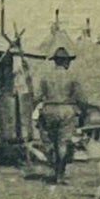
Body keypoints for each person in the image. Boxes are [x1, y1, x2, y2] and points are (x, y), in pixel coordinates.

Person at [32, 46, 87, 185]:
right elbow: (82, 98)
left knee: (50, 141)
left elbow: (37, 96)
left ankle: (54, 168)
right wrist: (83, 113)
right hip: (66, 109)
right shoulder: (73, 76)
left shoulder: (45, 76)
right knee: (63, 142)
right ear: (65, 62)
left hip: (49, 108)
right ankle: (60, 175)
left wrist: (33, 111)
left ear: (55, 61)